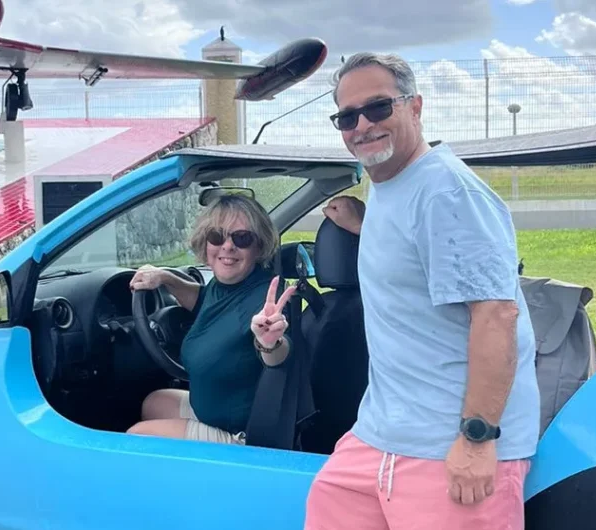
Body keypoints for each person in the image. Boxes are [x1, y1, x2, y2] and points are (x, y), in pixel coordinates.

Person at [304, 52, 541, 529]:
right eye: (347, 117)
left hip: (449, 448)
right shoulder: (393, 185)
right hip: (378, 438)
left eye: (378, 107)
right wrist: (361, 226)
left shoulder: (447, 192)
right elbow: (417, 254)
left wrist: (476, 439)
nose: (362, 125)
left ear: (415, 106)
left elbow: (496, 315)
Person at [126, 193, 296, 445]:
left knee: (136, 437)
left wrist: (269, 343)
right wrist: (165, 277)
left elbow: (278, 355)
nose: (227, 246)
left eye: (242, 238)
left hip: (240, 434)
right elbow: (203, 299)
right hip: (211, 410)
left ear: (259, 246)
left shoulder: (266, 300)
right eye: (217, 236)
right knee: (154, 402)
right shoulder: (226, 284)